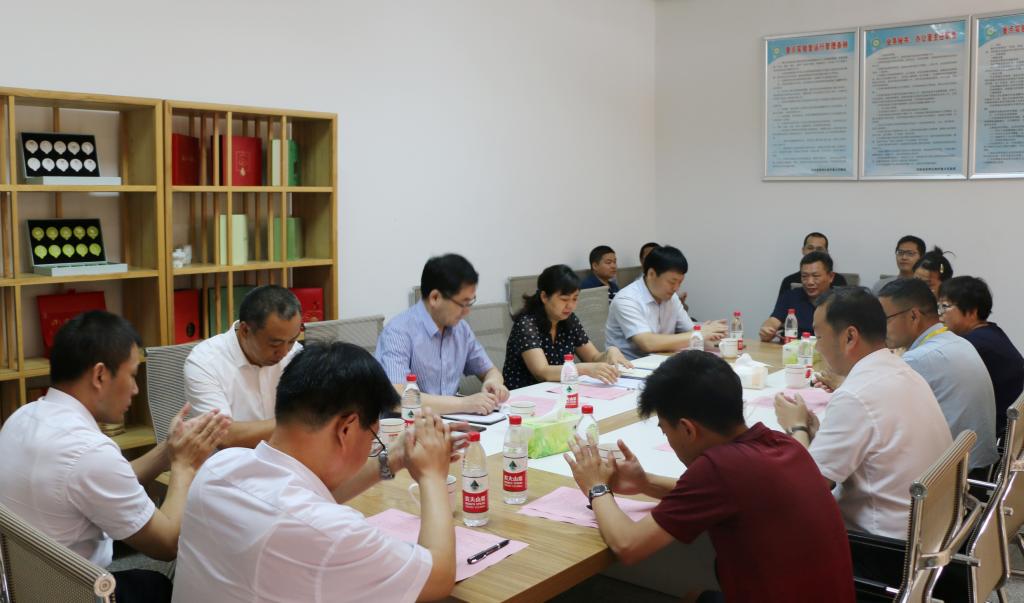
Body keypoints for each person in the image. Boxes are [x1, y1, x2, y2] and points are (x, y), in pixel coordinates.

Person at [172, 342, 457, 602]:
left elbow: (308, 502)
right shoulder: (332, 533)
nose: (373, 445)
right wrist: (432, 475)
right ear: (346, 429)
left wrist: (393, 458)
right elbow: (438, 577)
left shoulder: (219, 468)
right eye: (373, 437)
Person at [563, 351, 855, 603]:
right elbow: (720, 493)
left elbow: (628, 546)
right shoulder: (780, 443)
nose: (668, 439)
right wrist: (645, 483)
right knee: (695, 596)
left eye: (665, 430)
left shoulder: (719, 468)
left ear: (687, 429)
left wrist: (596, 487)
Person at [0, 311, 230, 603]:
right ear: (100, 375)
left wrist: (169, 449)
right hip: (78, 592)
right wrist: (184, 466)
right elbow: (167, 544)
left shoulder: (22, 417)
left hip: (27, 586)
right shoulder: (90, 452)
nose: (135, 389)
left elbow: (106, 480)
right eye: (132, 375)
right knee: (164, 586)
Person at [774, 288, 951, 542]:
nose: (817, 346)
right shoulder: (902, 370)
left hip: (884, 547)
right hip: (932, 532)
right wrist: (817, 433)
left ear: (849, 337)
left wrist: (796, 428)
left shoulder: (856, 395)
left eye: (819, 337)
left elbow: (807, 490)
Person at [877, 278, 998, 471]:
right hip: (978, 465)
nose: (880, 328)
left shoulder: (919, 359)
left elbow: (877, 418)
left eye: (885, 319)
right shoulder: (956, 341)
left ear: (914, 316)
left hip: (952, 476)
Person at [376, 254, 509, 414]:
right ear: (435, 298)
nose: (467, 311)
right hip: (408, 424)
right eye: (462, 303)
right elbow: (397, 398)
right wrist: (464, 403)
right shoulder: (398, 331)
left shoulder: (461, 329)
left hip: (452, 421)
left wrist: (493, 383)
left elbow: (490, 370)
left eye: (470, 302)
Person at [184, 285, 303, 448]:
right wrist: (299, 423)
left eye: (292, 341)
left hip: (285, 456)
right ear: (245, 330)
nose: (284, 352)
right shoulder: (204, 362)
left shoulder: (296, 354)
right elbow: (223, 436)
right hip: (229, 461)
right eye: (275, 344)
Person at [503, 265, 632, 390]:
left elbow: (593, 358)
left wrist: (609, 353)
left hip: (558, 390)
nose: (570, 306)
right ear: (544, 297)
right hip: (524, 395)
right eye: (564, 299)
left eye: (575, 299)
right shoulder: (527, 324)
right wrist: (583, 369)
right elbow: (542, 372)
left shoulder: (569, 320)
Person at [939, 276, 1024, 439]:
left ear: (972, 311)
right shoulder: (990, 332)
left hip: (993, 434)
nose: (940, 314)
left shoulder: (974, 345)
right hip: (1006, 428)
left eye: (945, 306)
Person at [605, 245, 725, 360]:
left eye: (680, 282)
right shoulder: (626, 299)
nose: (676, 288)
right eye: (672, 282)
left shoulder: (671, 297)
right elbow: (648, 343)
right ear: (651, 274)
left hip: (662, 361)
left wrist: (715, 339)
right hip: (629, 367)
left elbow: (690, 332)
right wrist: (699, 333)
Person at [759, 251, 834, 341]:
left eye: (816, 276)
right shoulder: (790, 296)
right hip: (790, 348)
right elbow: (773, 321)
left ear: (831, 277)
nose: (809, 282)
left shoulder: (841, 302)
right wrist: (767, 329)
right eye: (804, 276)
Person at [776, 232, 847, 296]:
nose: (814, 252)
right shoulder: (789, 281)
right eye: (810, 248)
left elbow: (845, 304)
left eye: (819, 249)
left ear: (826, 252)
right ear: (803, 250)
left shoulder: (838, 280)